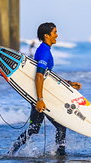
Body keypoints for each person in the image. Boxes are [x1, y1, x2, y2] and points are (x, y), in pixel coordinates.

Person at [8, 22, 81, 156]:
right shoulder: (44, 52)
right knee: (60, 125)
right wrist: (40, 100)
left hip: (40, 95)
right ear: (46, 36)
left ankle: (11, 152)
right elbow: (39, 75)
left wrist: (68, 83)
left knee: (34, 129)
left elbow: (47, 77)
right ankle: (60, 155)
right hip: (42, 97)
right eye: (55, 33)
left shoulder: (44, 50)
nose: (57, 35)